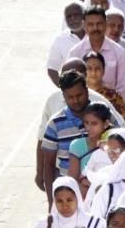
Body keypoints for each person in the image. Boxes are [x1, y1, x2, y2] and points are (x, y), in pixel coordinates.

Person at [38, 70, 90, 204]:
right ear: (64, 96)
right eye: (70, 97)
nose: (76, 100)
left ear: (87, 90)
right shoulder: (55, 124)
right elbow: (48, 166)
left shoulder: (103, 115)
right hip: (68, 195)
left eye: (79, 95)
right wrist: (51, 203)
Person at [73, 5, 125, 102]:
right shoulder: (75, 52)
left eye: (99, 23)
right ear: (84, 26)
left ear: (105, 24)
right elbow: (72, 86)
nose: (95, 28)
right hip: (81, 108)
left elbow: (122, 89)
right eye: (90, 24)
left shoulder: (119, 52)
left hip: (113, 107)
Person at [68, 101, 113, 190]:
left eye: (94, 123)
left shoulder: (114, 145)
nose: (88, 128)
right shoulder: (76, 146)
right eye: (86, 123)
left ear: (106, 123)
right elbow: (73, 181)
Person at [83, 50, 125, 123]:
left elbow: (124, 121)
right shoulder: (80, 94)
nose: (93, 72)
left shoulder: (113, 96)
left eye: (98, 68)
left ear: (104, 70)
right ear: (83, 71)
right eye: (89, 68)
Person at [46, 3, 85, 86]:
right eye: (69, 16)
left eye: (76, 15)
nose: (73, 19)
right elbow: (52, 69)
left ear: (84, 16)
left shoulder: (95, 34)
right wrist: (65, 89)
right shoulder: (60, 40)